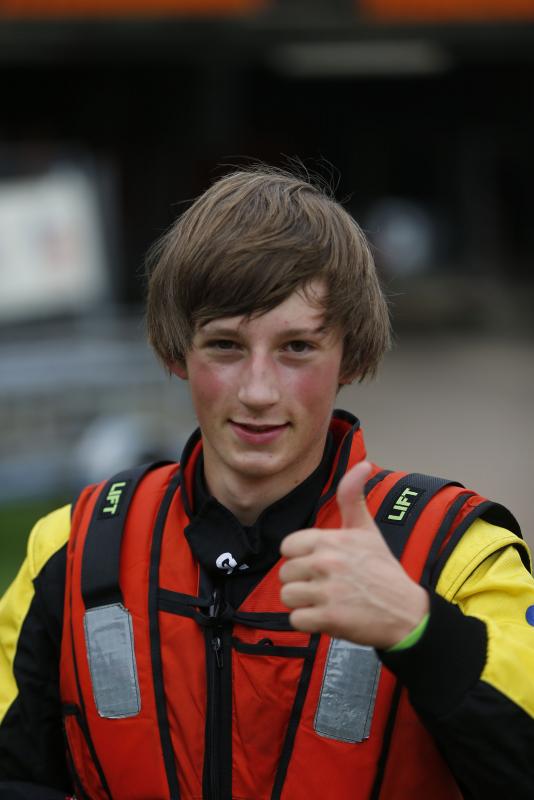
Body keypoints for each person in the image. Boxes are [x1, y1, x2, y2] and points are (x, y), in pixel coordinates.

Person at [1, 166, 534, 800]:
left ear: (351, 355)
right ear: (175, 352)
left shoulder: (457, 555)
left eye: (297, 347)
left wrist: (420, 629)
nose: (258, 391)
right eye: (225, 345)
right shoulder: (74, 549)